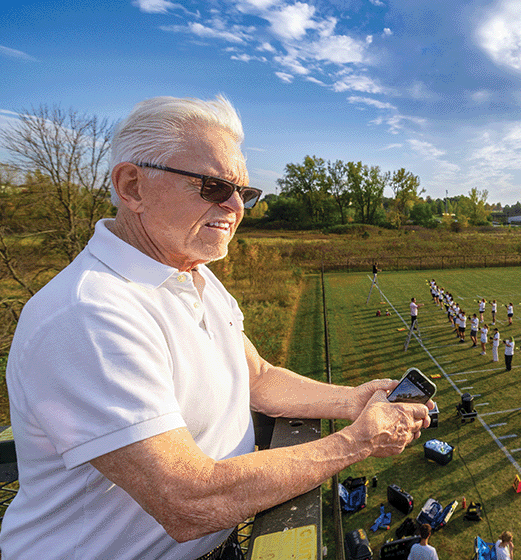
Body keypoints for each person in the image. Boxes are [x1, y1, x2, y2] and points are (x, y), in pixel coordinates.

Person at [0, 96, 432, 560]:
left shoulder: (194, 274)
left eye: (243, 193)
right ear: (132, 186)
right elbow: (188, 500)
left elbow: (258, 378)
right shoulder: (89, 313)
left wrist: (353, 400)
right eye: (212, 186)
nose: (235, 207)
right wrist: (356, 442)